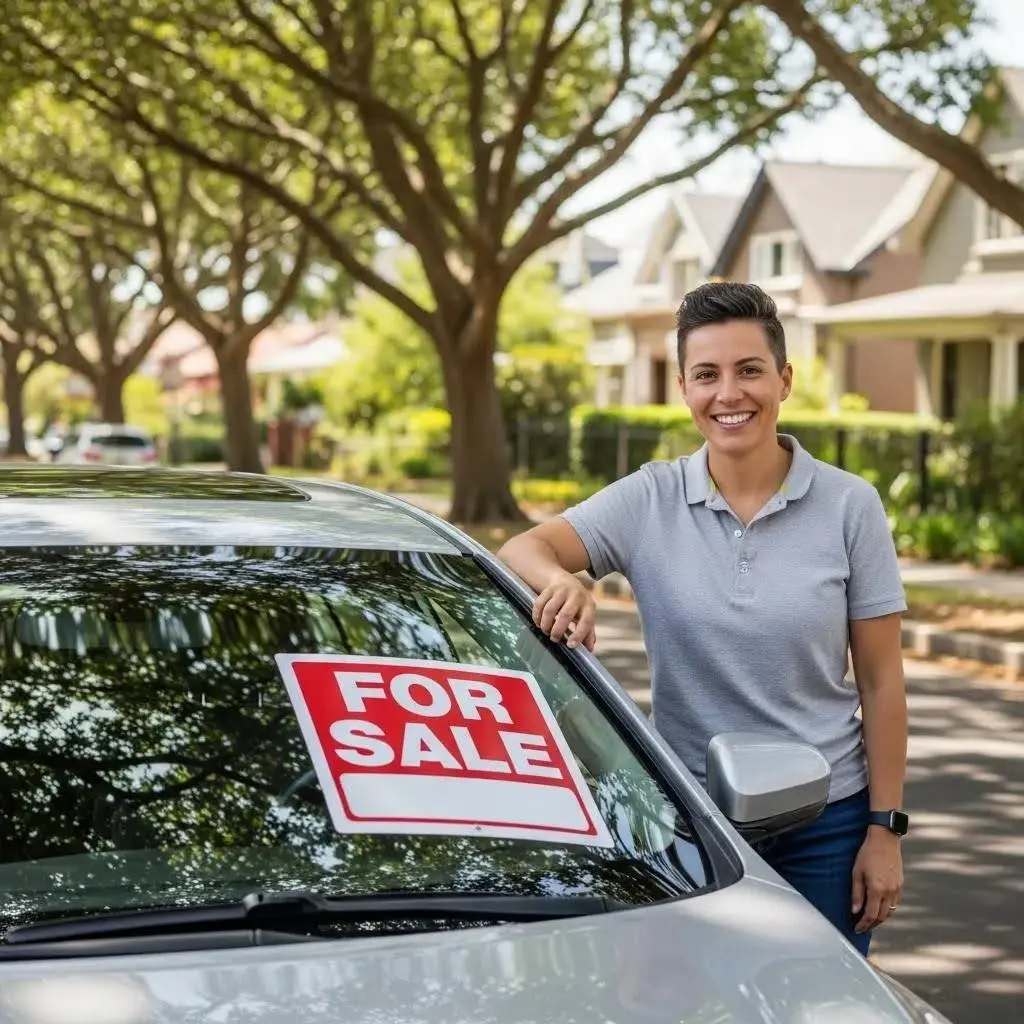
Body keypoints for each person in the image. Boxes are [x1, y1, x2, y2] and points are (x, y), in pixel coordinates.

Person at [496, 281, 908, 956]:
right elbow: (523, 549)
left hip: (828, 822)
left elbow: (882, 683)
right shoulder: (651, 497)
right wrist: (561, 583)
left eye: (749, 371)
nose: (729, 394)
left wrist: (883, 830)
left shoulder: (849, 506)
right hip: (691, 820)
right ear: (685, 389)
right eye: (707, 375)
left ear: (784, 379)